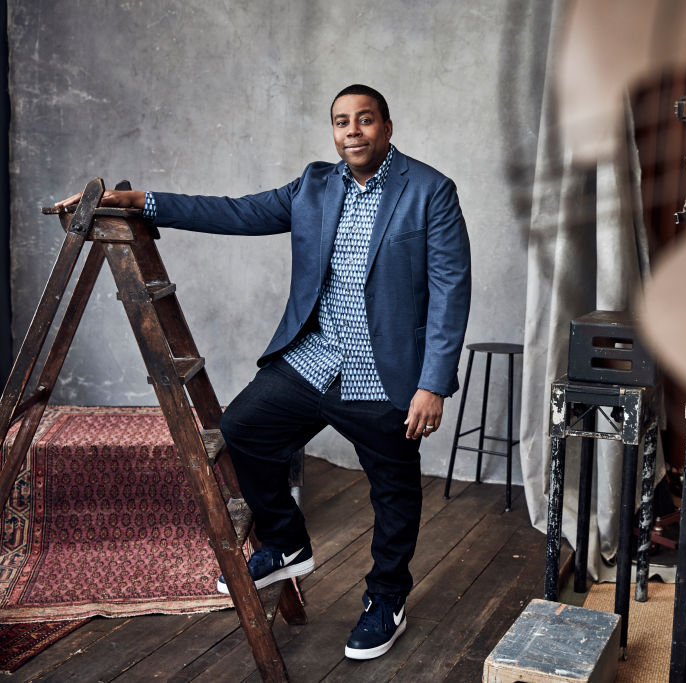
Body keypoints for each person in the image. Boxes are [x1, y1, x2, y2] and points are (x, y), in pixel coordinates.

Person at [57, 83, 472, 660]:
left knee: (394, 491)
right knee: (245, 428)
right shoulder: (314, 186)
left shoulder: (429, 191)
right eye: (341, 122)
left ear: (387, 127)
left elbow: (452, 291)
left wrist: (433, 384)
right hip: (313, 358)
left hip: (384, 373)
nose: (352, 131)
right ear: (333, 132)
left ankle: (386, 600)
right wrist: (139, 203)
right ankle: (285, 542)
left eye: (365, 120)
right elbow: (234, 212)